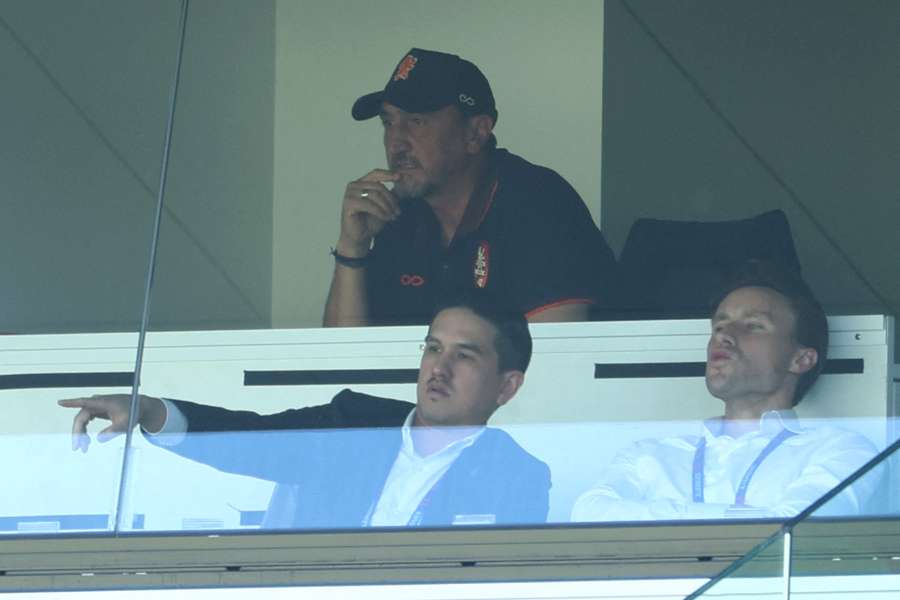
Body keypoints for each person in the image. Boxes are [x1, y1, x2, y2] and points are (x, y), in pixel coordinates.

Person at [60, 299, 551, 529]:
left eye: (464, 356)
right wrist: (148, 410)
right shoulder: (353, 422)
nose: (438, 368)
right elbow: (251, 438)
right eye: (432, 348)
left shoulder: (518, 474)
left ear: (507, 386)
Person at [323, 48, 616, 327]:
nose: (395, 142)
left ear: (476, 133)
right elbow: (344, 361)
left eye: (416, 121)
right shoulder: (400, 214)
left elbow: (555, 363)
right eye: (388, 122)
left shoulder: (538, 203)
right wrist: (353, 249)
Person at [571, 262, 881, 521]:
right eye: (719, 326)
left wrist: (660, 518)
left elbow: (791, 529)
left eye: (753, 326)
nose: (725, 337)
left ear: (800, 359)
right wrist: (743, 516)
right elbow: (587, 513)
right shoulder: (649, 453)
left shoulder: (842, 451)